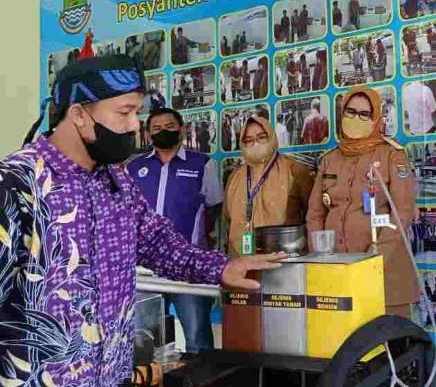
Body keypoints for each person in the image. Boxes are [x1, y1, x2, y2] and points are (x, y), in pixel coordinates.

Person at [1, 55, 282, 386]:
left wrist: (219, 268)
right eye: (125, 112)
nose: (136, 125)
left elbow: (156, 242)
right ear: (78, 114)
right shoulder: (17, 184)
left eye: (137, 112)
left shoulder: (116, 180)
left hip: (112, 377)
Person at [306, 87, 419, 317]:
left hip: (383, 274)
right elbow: (315, 214)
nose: (355, 118)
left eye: (364, 114)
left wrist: (372, 262)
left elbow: (402, 212)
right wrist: (321, 255)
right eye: (350, 112)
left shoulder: (392, 155)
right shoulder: (330, 159)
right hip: (336, 273)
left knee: (388, 344)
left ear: (376, 117)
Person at [128, 108, 223, 355]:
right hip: (144, 269)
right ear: (148, 134)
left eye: (169, 126)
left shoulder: (203, 163)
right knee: (145, 341)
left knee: (197, 339)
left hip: (188, 268)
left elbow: (213, 209)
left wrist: (198, 246)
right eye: (156, 128)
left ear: (181, 129)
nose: (163, 131)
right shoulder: (134, 168)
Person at [224, 115, 315, 255]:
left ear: (271, 137)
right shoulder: (234, 178)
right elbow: (227, 221)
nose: (255, 143)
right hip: (241, 264)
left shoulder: (294, 170)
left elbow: (313, 216)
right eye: (249, 140)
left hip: (284, 262)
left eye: (261, 137)